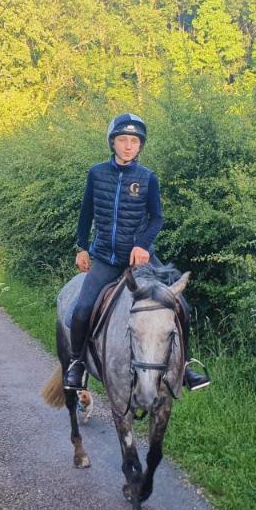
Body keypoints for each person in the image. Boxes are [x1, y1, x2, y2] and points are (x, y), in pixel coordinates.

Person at [64, 113, 210, 392]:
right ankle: (77, 364)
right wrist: (82, 247)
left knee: (183, 307)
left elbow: (157, 219)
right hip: (106, 258)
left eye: (134, 141)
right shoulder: (96, 174)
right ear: (113, 143)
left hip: (141, 260)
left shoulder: (148, 178)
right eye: (122, 140)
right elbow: (86, 214)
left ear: (140, 145)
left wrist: (142, 245)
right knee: (81, 310)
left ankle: (186, 366)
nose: (128, 145)